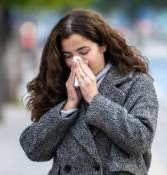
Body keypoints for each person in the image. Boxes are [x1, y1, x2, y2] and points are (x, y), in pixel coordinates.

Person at [19, 9, 159, 175]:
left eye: (84, 52)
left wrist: (95, 99)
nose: (75, 61)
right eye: (68, 55)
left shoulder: (136, 82)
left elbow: (140, 140)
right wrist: (69, 106)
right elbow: (33, 149)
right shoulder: (59, 84)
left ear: (103, 45)